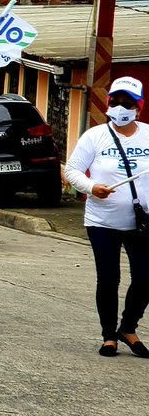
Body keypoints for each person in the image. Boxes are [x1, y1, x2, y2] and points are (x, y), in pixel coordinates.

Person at [64, 76, 149, 358]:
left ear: (139, 107)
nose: (121, 107)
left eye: (128, 103)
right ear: (108, 103)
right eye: (116, 101)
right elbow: (72, 170)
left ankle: (128, 328)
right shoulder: (95, 136)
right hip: (102, 222)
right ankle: (108, 336)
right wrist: (91, 187)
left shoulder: (147, 135)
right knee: (109, 278)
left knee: (145, 277)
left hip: (141, 222)